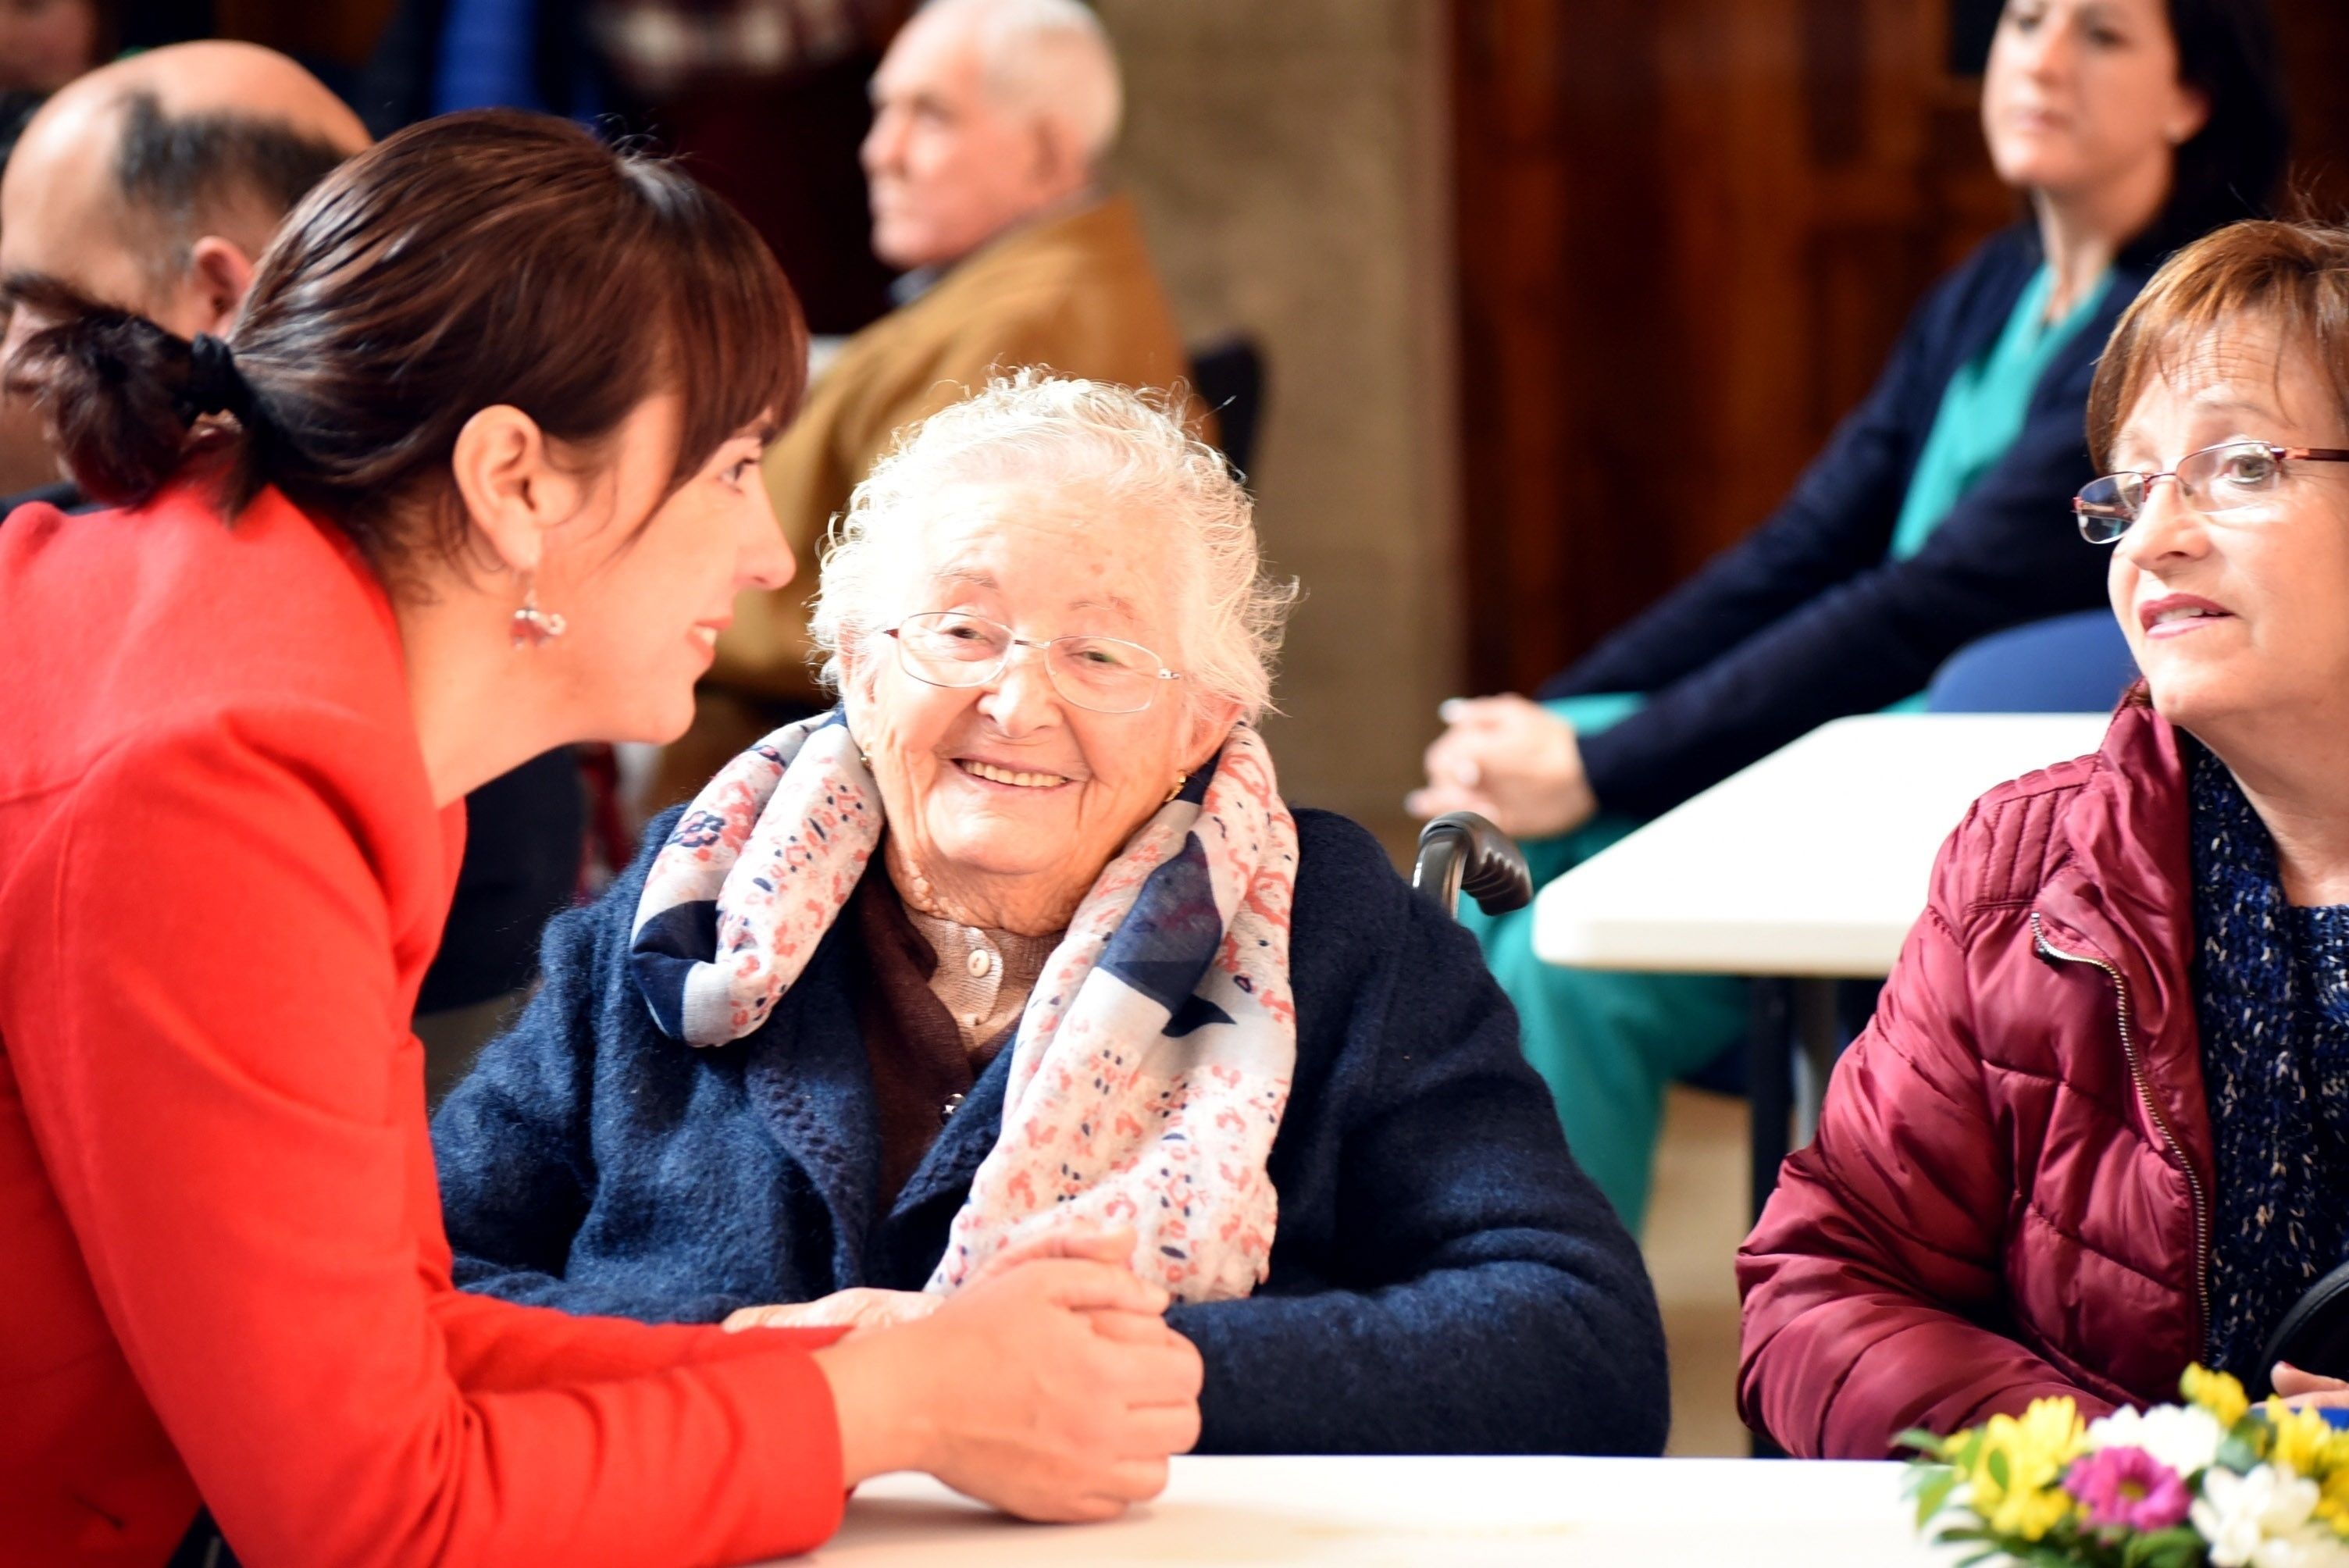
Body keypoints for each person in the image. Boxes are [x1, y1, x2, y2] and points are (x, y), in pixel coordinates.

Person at [0, 110, 1203, 1567]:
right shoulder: (227, 772)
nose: (766, 554)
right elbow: (375, 1515)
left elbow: (375, 1354)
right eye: (732, 466)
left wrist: (855, 1379)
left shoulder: (273, 672)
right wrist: (882, 1404)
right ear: (516, 479)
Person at [430, 372, 1670, 1457]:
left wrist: (1130, 1377)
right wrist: (758, 1371)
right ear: (858, 661)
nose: (1017, 704)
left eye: (1104, 656)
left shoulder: (1336, 942)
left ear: (1204, 720)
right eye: (963, 631)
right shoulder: (683, 916)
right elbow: (419, 1290)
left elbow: (1579, 1344)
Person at [1410, 0, 2290, 1231]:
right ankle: (1488, 1289)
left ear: (2190, 97)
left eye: (2102, 35)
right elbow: (1805, 550)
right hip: (1857, 734)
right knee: (1519, 872)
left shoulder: (2169, 339)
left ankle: (1556, 1335)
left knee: (1565, 948)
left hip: (1955, 780)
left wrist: (1599, 761)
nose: (2039, 56)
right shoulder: (1995, 289)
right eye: (2027, 18)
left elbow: (1916, 607)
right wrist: (1559, 720)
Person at [1738, 216, 2349, 1456]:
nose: (2156, 537)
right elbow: (1819, 1287)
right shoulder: (2027, 869)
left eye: (2239, 466)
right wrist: (2130, 1472)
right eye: (2131, 487)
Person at [666, 0, 1203, 796]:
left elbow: (915, 621)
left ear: (1046, 152)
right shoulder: (1028, 285)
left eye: (932, 116)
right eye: (883, 111)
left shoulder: (1026, 328)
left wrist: (652, 594)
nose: (882, 152)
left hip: (824, 774)